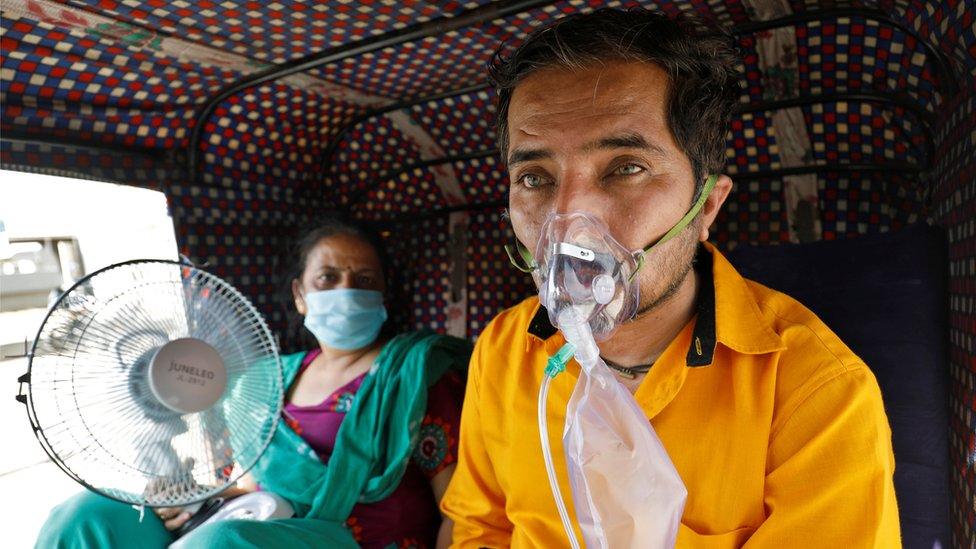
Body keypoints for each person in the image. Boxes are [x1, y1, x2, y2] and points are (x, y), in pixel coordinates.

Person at [440, 8, 900, 548]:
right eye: (535, 177)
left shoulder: (814, 393)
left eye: (626, 167)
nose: (570, 221)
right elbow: (479, 530)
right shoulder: (502, 351)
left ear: (706, 207)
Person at [39, 216, 470, 549]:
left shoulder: (414, 376)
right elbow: (253, 481)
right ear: (300, 294)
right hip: (258, 522)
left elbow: (460, 507)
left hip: (351, 540)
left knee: (225, 544)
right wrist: (188, 498)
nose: (346, 290)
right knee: (85, 515)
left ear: (383, 296)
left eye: (364, 280)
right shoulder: (269, 378)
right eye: (328, 278)